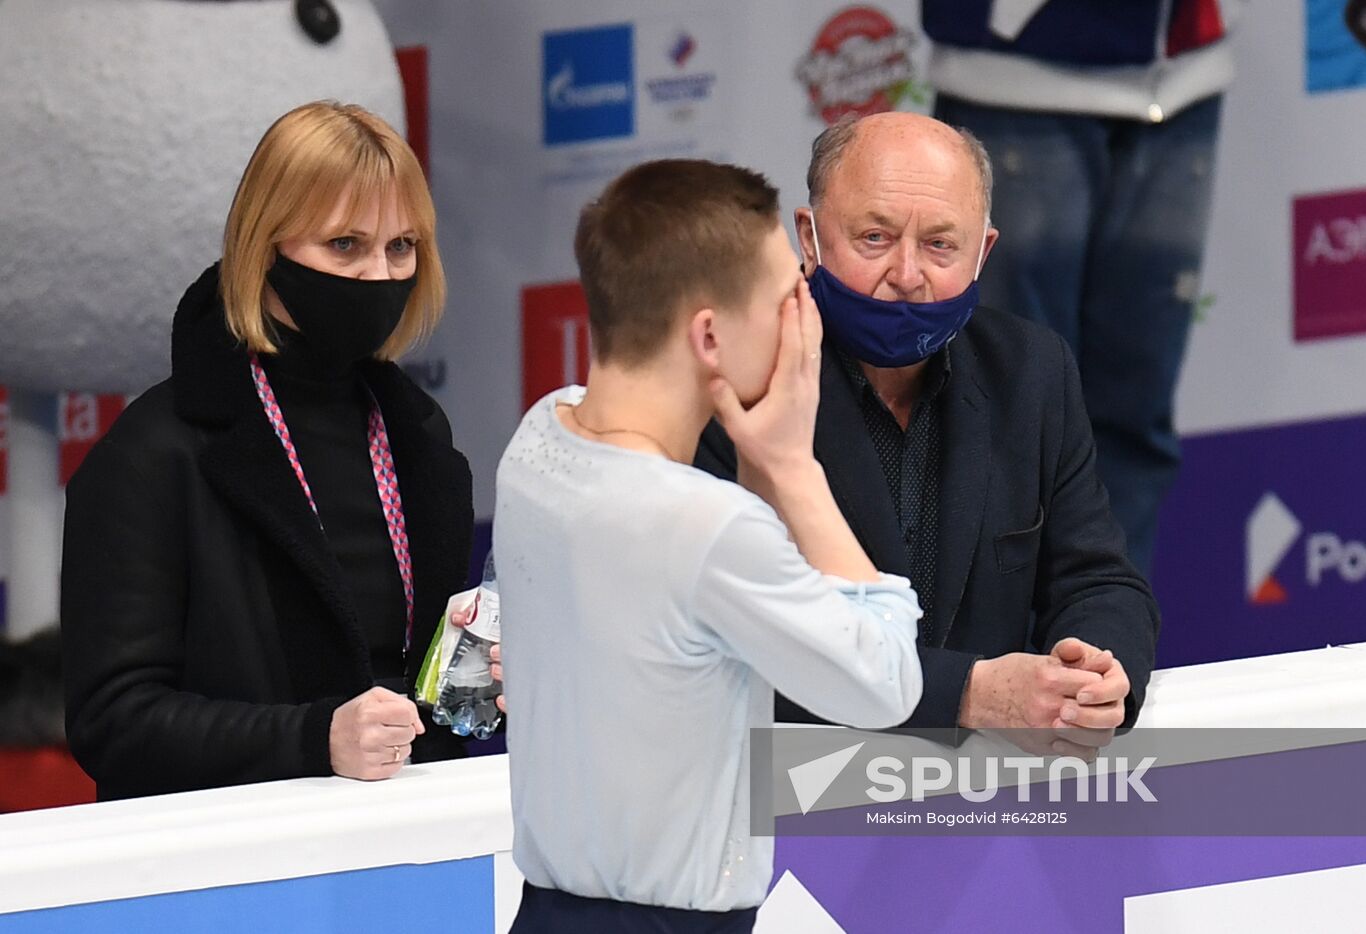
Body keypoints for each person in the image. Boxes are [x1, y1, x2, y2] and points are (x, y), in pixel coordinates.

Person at [495, 159, 922, 931]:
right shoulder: (703, 528)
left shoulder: (536, 440)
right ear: (709, 336)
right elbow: (886, 683)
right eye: (789, 297)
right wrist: (793, 466)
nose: (807, 319)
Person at [696, 112, 1161, 752]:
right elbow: (726, 639)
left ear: (983, 253)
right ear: (809, 237)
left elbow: (1099, 580)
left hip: (986, 802)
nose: (908, 275)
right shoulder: (733, 384)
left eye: (941, 245)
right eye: (875, 237)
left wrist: (1097, 675)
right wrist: (970, 693)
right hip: (790, 797)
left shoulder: (1031, 370)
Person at [60, 101, 476, 800]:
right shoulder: (155, 452)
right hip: (229, 875)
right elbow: (114, 721)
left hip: (412, 852)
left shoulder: (418, 436)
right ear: (265, 246)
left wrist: (477, 681)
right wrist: (314, 739)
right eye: (345, 244)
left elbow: (417, 694)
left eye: (401, 246)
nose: (380, 275)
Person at [922, 0, 1245, 576]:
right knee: (1005, 420)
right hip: (1014, 76)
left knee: (1135, 418)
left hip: (1186, 73)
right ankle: (1002, 655)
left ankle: (1111, 642)